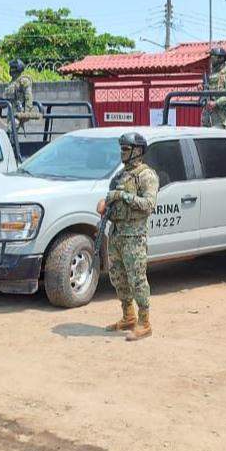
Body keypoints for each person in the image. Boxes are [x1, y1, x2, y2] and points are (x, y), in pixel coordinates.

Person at [97, 132, 159, 342]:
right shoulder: (120, 175)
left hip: (134, 236)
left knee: (137, 279)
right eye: (121, 149)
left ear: (137, 151)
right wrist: (104, 205)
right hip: (116, 233)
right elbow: (112, 200)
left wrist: (123, 196)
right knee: (118, 277)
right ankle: (128, 316)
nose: (122, 153)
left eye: (126, 149)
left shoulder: (146, 176)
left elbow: (148, 205)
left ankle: (145, 323)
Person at [201, 47, 226, 130]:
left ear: (221, 58)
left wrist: (216, 103)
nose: (211, 59)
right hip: (207, 112)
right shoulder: (211, 74)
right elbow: (209, 89)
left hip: (220, 113)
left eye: (213, 57)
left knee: (218, 134)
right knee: (204, 135)